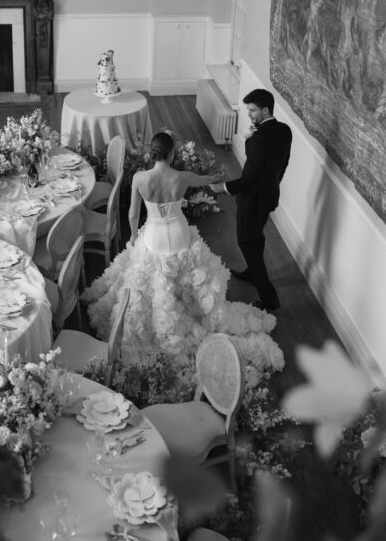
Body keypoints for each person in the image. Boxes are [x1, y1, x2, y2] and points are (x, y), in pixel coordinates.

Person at [82, 131, 283, 372]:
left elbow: (133, 214)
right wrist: (217, 175)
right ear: (172, 153)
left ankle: (166, 318)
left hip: (155, 235)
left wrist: (135, 235)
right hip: (179, 233)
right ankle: (189, 309)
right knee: (185, 273)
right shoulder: (182, 177)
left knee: (155, 274)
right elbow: (205, 180)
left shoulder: (140, 178)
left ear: (151, 153)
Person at [211, 89, 292, 312]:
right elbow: (282, 165)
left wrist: (224, 187)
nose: (249, 114)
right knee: (255, 236)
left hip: (252, 200)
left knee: (246, 242)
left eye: (253, 110)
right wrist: (272, 184)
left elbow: (250, 178)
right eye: (248, 110)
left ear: (266, 110)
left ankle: (268, 298)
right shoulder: (285, 131)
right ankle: (251, 271)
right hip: (269, 197)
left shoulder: (257, 140)